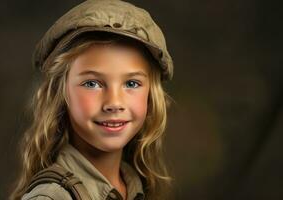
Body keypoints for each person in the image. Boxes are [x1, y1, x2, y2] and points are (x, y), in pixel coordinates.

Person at [10, 0, 174, 199]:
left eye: (131, 84)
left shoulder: (134, 185)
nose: (114, 103)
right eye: (92, 84)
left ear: (151, 95)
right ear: (60, 93)